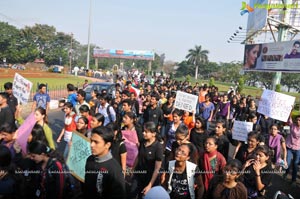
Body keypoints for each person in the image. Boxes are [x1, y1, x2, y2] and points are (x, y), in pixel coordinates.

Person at [84, 126, 126, 199]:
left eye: (96, 142)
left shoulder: (114, 169)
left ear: (107, 145)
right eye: (91, 141)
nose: (91, 145)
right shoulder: (90, 160)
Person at [131, 121, 163, 199]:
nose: (143, 133)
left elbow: (157, 168)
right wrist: (133, 169)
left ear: (153, 134)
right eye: (143, 131)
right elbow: (138, 156)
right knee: (132, 193)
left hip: (150, 178)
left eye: (146, 132)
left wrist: (150, 185)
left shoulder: (158, 147)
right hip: (138, 175)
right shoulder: (142, 142)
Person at [283, 114, 300, 185]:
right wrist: (290, 110)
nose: (298, 121)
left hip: (298, 148)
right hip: (289, 146)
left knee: (295, 164)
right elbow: (288, 118)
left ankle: (293, 180)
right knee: (288, 162)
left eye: (299, 120)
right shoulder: (292, 125)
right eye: (297, 119)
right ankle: (286, 173)